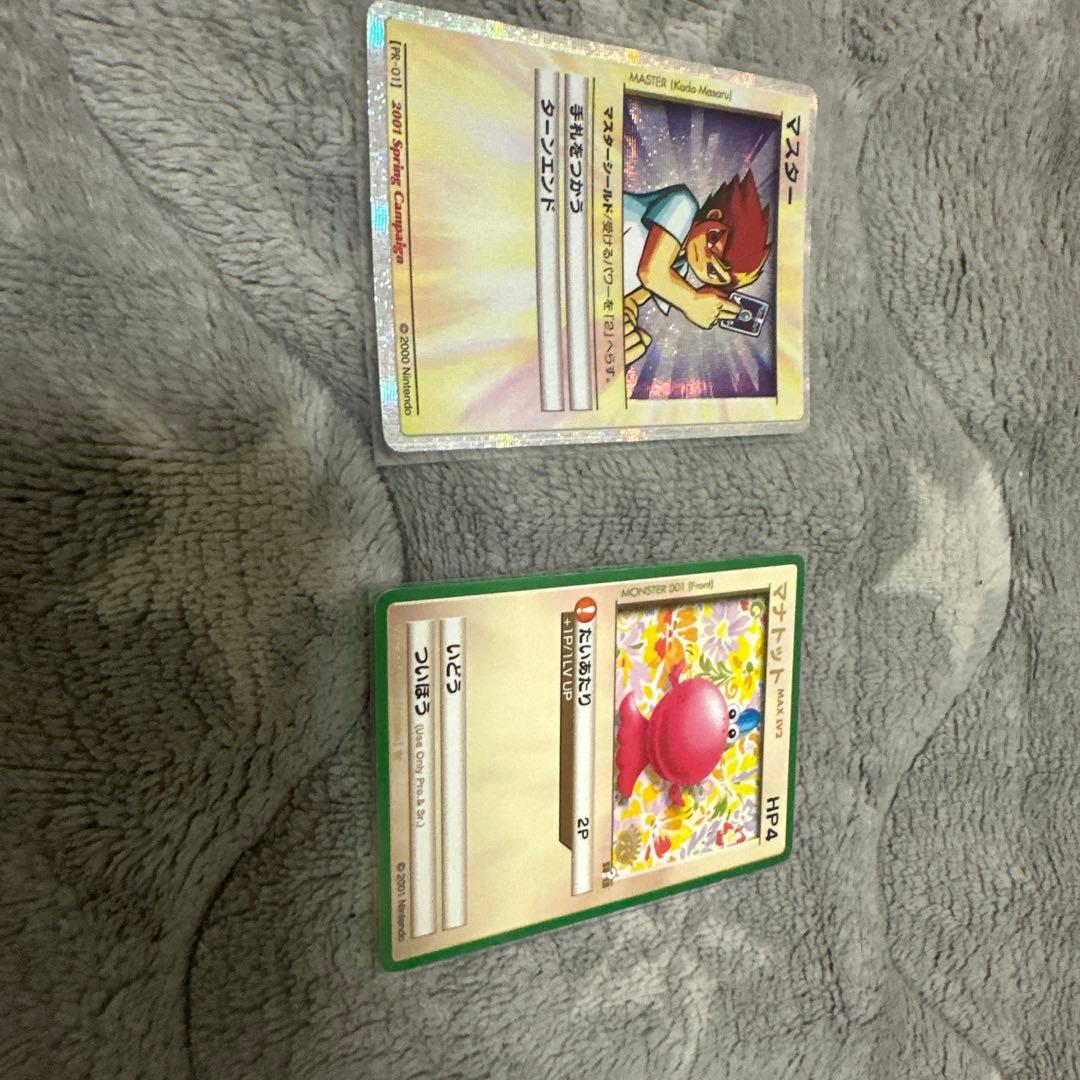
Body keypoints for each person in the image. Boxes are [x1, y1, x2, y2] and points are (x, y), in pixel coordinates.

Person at [622, 170, 772, 363]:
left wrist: (625, 317)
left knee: (635, 343)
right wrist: (691, 301)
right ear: (713, 215)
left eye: (716, 277)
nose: (705, 271)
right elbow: (651, 272)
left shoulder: (678, 268)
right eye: (712, 265)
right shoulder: (683, 204)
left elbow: (631, 299)